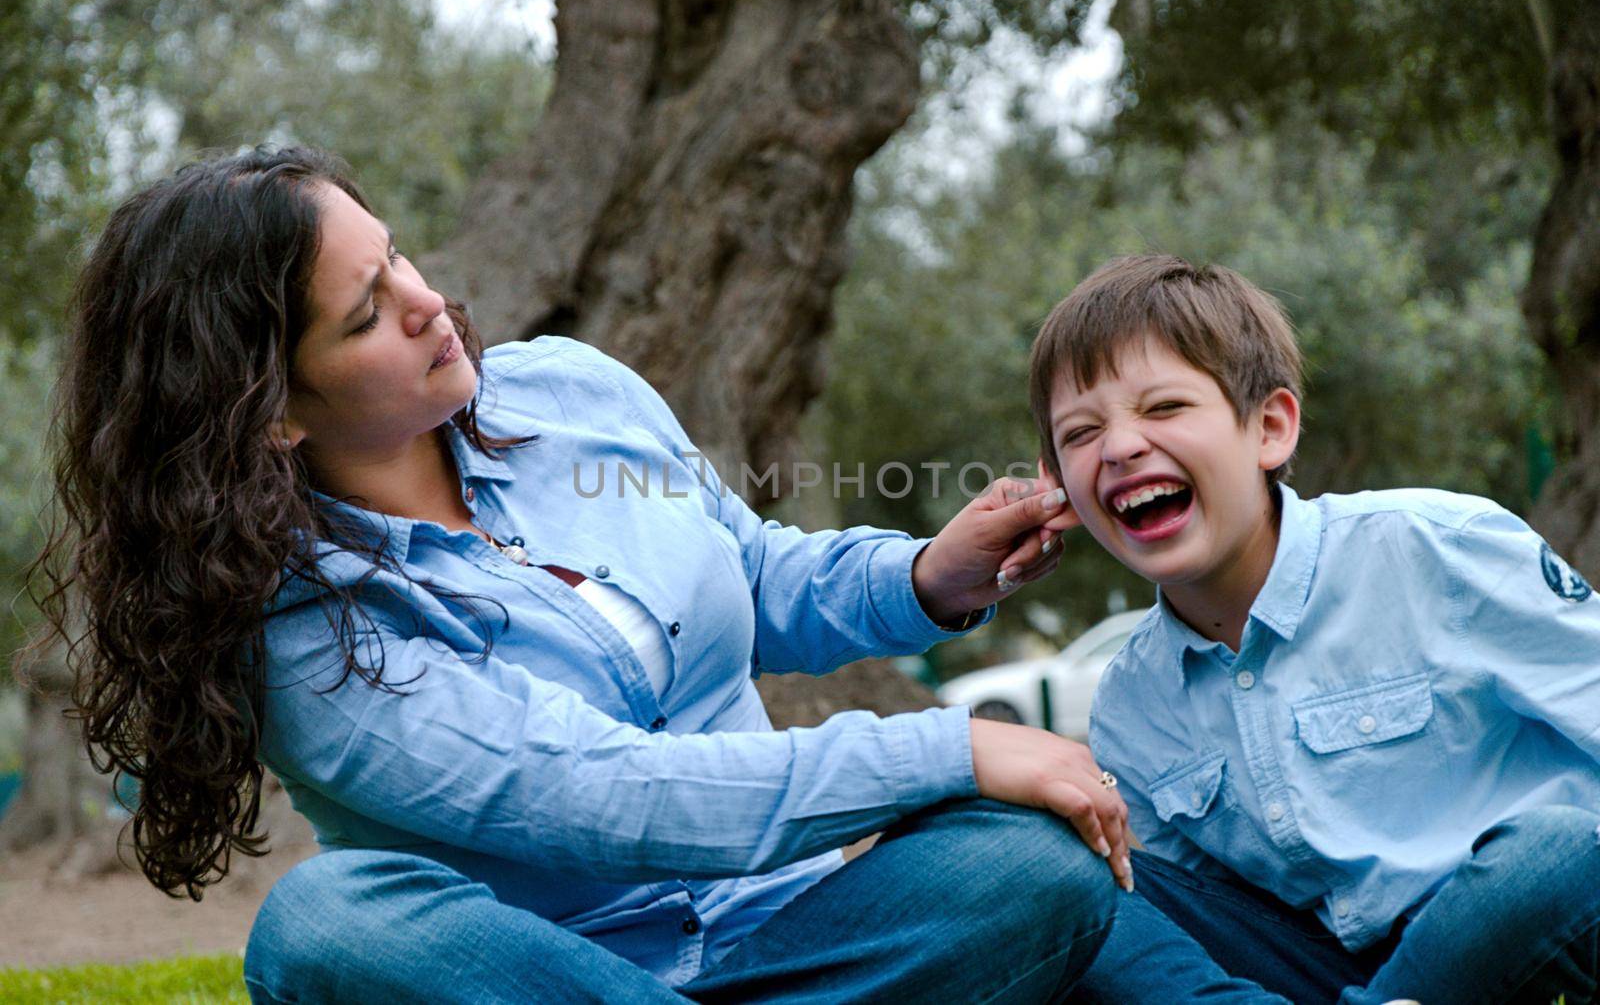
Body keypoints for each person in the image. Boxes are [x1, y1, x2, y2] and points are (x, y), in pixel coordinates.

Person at [34, 145, 1143, 1003]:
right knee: (325, 924)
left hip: (798, 941)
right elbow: (600, 792)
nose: (424, 302)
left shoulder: (570, 395)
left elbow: (746, 576)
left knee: (1032, 861)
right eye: (366, 312)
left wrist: (925, 576)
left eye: (397, 257)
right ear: (270, 409)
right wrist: (952, 747)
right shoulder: (302, 631)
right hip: (550, 977)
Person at [1024, 254, 1600, 1004]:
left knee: (1557, 850)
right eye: (1080, 433)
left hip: (1533, 938)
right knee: (1069, 886)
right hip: (1331, 972)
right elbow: (1201, 921)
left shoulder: (1437, 547)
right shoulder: (1132, 705)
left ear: (1270, 428)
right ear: (1059, 487)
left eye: (1164, 408)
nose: (1121, 446)